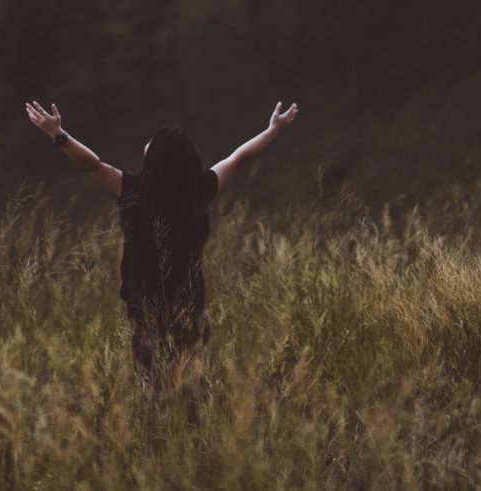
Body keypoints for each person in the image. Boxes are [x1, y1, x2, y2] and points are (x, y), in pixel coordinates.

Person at [24, 100, 299, 445]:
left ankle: (158, 457)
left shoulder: (133, 191)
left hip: (146, 310)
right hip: (191, 307)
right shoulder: (201, 190)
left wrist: (58, 134)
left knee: (152, 395)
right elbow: (240, 157)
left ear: (153, 158)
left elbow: (92, 165)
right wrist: (273, 129)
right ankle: (195, 453)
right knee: (192, 390)